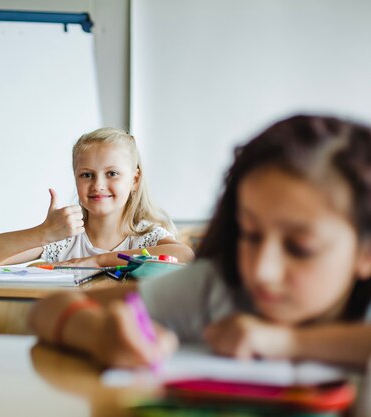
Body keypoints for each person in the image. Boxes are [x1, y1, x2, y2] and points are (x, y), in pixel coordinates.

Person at [29, 115, 371, 367]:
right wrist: (98, 334)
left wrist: (287, 342)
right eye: (249, 235)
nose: (263, 271)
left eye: (300, 248)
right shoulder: (218, 288)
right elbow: (46, 311)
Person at [0, 127, 193, 267]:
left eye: (112, 174)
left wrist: (98, 260)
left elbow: (184, 254)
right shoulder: (64, 238)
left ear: (134, 180)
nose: (98, 185)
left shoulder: (147, 236)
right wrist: (43, 233)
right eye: (87, 175)